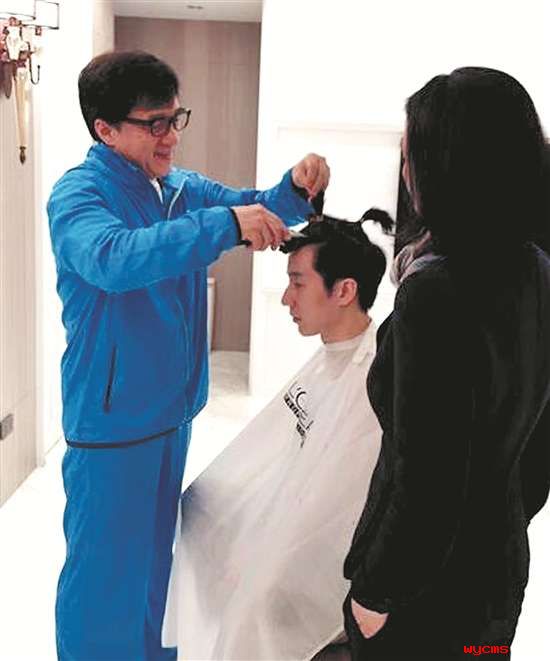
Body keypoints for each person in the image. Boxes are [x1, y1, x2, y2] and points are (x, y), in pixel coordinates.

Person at [47, 50, 330, 660]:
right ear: (105, 129)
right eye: (155, 123)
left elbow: (258, 207)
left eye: (176, 119)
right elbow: (113, 258)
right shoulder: (78, 195)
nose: (171, 136)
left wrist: (295, 187)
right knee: (105, 583)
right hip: (113, 425)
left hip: (170, 416)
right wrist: (224, 225)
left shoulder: (178, 188)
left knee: (157, 568)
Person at [343, 67, 550, 661]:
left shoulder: (436, 293)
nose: (405, 169)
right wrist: (503, 519)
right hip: (497, 573)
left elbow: (427, 480)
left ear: (444, 164)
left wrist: (375, 594)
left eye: (411, 152)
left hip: (426, 596)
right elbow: (537, 446)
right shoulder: (535, 268)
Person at [161, 210, 393, 660]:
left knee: (250, 600)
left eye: (298, 283)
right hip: (286, 526)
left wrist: (258, 557)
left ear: (345, 291)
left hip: (319, 562)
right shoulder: (332, 358)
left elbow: (332, 511)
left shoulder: (370, 378)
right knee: (198, 514)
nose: (287, 298)